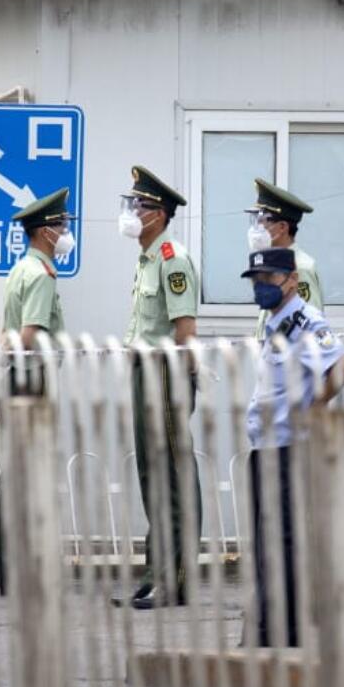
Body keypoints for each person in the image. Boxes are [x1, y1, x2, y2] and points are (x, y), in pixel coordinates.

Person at [241, 247, 344, 647]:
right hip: (265, 445)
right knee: (264, 541)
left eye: (268, 280)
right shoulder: (275, 321)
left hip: (288, 446)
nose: (261, 287)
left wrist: (317, 404)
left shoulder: (306, 322)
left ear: (291, 280)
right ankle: (266, 628)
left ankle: (282, 633)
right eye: (257, 281)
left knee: (282, 541)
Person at [112, 165, 202, 610]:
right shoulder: (147, 258)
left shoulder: (171, 257)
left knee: (173, 476)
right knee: (151, 474)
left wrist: (179, 384)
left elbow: (184, 329)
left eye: (141, 205)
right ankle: (155, 571)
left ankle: (177, 577)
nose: (132, 211)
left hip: (166, 374)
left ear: (159, 214)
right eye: (132, 203)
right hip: (143, 372)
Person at [2, 187, 74, 395]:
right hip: (34, 375)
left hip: (17, 373)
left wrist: (2, 352)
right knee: (37, 428)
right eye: (62, 225)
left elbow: (7, 328)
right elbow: (29, 335)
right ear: (45, 232)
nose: (65, 232)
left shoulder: (21, 268)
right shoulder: (42, 275)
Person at [246, 179, 323, 340]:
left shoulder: (299, 267)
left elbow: (309, 332)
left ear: (282, 227)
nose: (256, 229)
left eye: (262, 221)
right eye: (255, 220)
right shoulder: (272, 266)